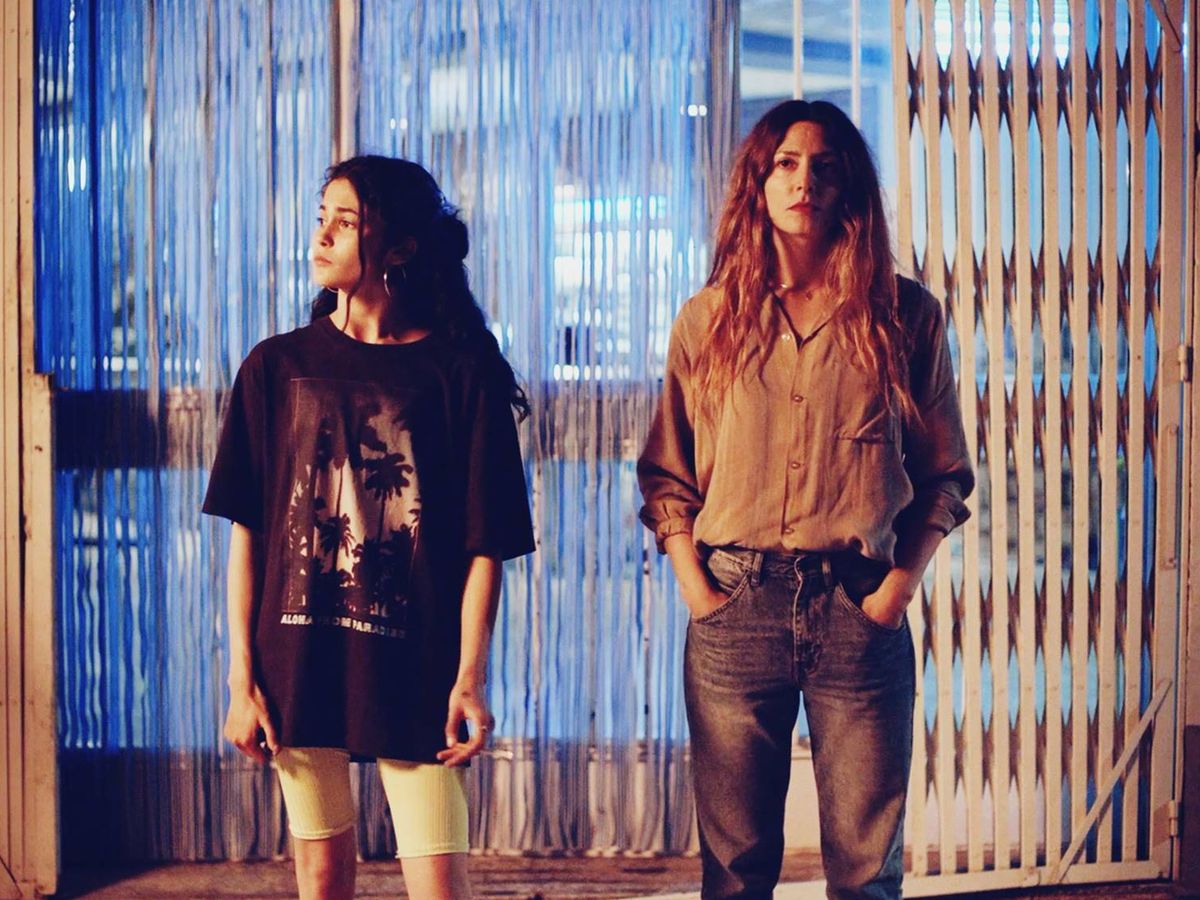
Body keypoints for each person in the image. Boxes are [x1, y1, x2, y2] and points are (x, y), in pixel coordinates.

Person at [637, 100, 974, 899]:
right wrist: (699, 590)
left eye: (824, 166)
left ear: (848, 184)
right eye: (785, 164)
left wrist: (894, 594)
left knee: (865, 870)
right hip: (734, 605)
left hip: (859, 607)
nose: (804, 182)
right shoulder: (707, 321)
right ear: (757, 184)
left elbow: (945, 474)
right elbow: (667, 474)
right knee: (735, 870)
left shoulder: (906, 317)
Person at [203, 155, 535, 900]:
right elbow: (248, 532)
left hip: (417, 669)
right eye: (321, 216)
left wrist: (471, 678)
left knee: (439, 884)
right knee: (320, 877)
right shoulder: (275, 367)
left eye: (346, 221)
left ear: (399, 247)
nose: (321, 235)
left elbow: (486, 546)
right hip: (297, 662)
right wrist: (240, 678)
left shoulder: (461, 373)